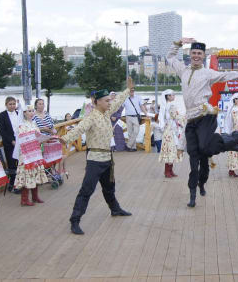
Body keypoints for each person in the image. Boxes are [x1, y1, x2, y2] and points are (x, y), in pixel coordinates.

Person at [167, 38, 238, 208]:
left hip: (205, 116)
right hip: (191, 120)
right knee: (195, 157)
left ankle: (229, 141)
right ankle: (193, 191)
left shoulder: (208, 73)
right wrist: (178, 43)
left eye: (199, 53)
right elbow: (170, 57)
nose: (196, 56)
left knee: (203, 148)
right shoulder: (183, 70)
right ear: (190, 54)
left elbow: (227, 75)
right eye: (193, 53)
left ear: (203, 56)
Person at [59, 86, 133, 235]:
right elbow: (79, 129)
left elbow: (117, 102)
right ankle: (75, 220)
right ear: (97, 101)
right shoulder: (91, 117)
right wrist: (65, 139)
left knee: (109, 187)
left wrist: (127, 90)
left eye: (108, 100)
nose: (109, 103)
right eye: (106, 101)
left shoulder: (107, 113)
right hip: (94, 160)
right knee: (86, 190)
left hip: (107, 158)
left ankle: (115, 209)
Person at [12, 104, 50, 206]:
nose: (31, 113)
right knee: (27, 174)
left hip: (35, 153)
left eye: (32, 111)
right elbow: (22, 139)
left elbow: (37, 136)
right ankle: (24, 199)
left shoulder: (34, 124)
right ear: (24, 113)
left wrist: (42, 138)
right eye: (29, 111)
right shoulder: (21, 125)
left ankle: (35, 196)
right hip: (26, 154)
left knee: (35, 173)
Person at [158, 89, 186, 178]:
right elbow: (176, 116)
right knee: (170, 149)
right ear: (168, 96)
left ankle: (170, 170)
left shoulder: (166, 105)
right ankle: (167, 171)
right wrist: (185, 119)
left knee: (171, 150)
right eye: (172, 95)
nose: (174, 96)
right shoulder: (171, 106)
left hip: (170, 129)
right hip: (170, 131)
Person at [0, 97, 20, 193]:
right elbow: (2, 130)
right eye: (10, 104)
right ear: (6, 105)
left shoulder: (19, 113)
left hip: (19, 142)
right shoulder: (3, 115)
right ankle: (12, 184)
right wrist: (11, 141)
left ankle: (19, 183)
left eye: (13, 104)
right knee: (11, 164)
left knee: (20, 163)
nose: (12, 106)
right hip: (9, 144)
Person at [124, 87, 148, 152]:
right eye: (130, 91)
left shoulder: (138, 97)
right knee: (130, 133)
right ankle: (133, 147)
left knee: (136, 131)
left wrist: (146, 114)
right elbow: (121, 107)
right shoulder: (125, 98)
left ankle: (128, 145)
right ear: (128, 91)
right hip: (128, 117)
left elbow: (142, 106)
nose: (132, 92)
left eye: (133, 91)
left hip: (136, 117)